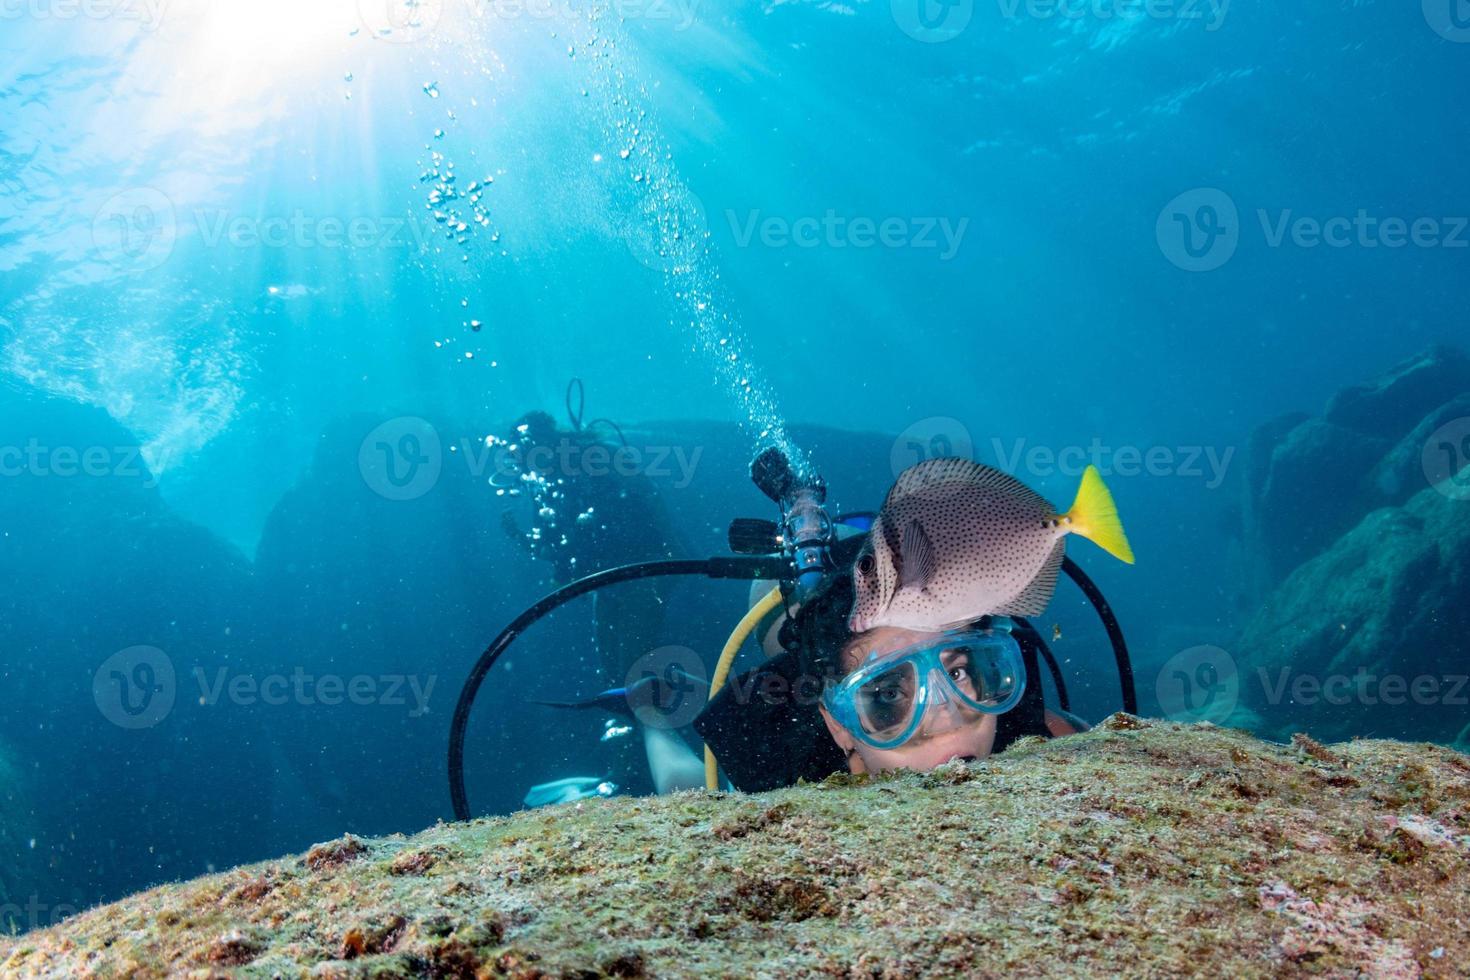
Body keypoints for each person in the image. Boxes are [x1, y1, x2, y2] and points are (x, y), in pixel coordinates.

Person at [629, 533, 1088, 794]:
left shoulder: (1043, 739)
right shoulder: (792, 779)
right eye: (890, 692)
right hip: (802, 699)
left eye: (958, 671)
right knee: (785, 634)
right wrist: (656, 724)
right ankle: (650, 713)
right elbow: (683, 789)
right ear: (839, 726)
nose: (946, 713)